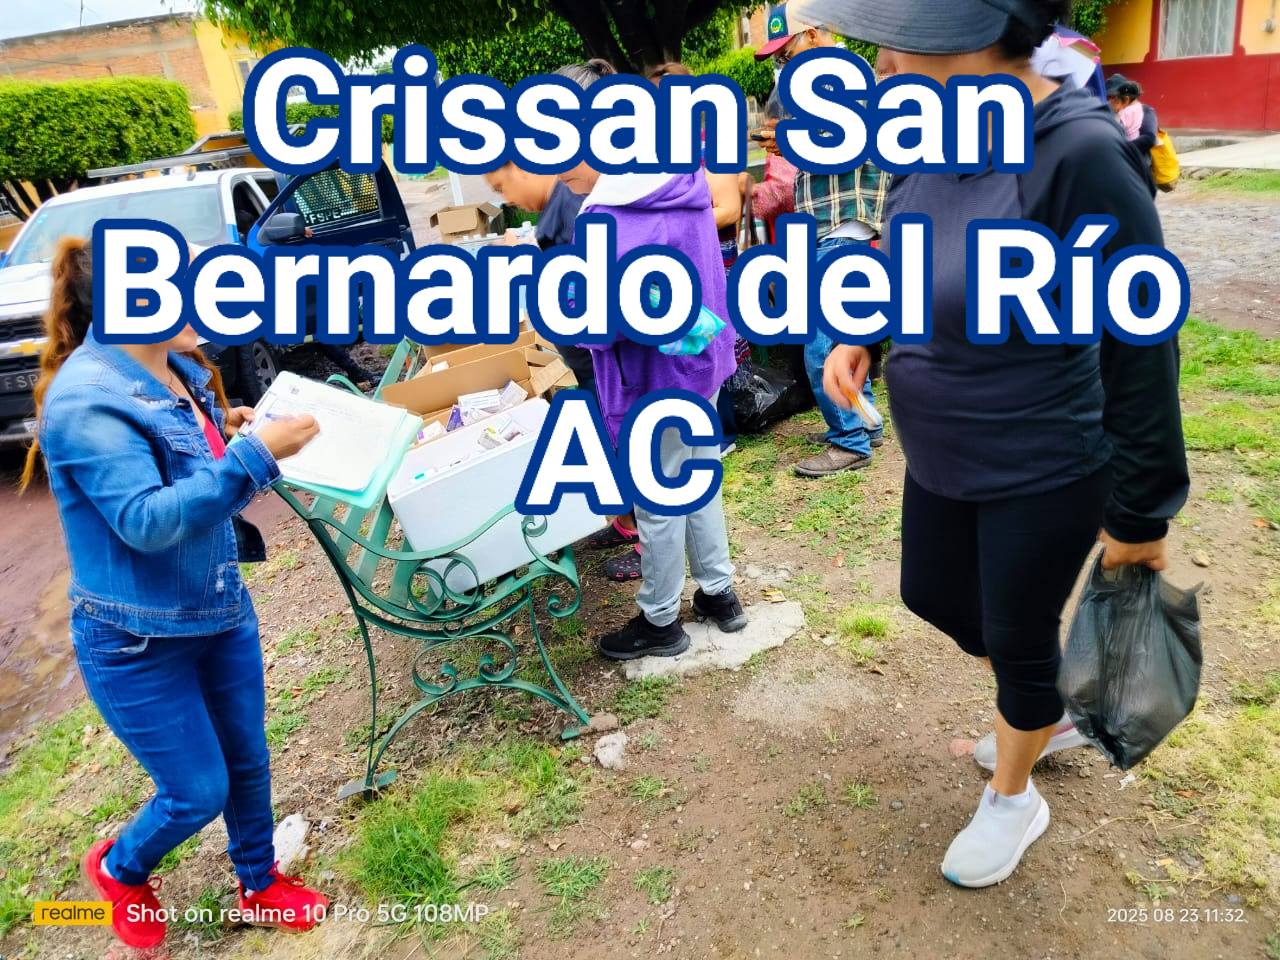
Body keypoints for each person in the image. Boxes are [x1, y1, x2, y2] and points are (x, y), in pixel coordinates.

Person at [804, 0, 1188, 887]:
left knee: (1016, 635)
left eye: (894, 38)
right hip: (943, 449)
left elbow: (1143, 342)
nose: (879, 60)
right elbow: (914, 251)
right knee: (933, 594)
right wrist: (867, 332)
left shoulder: (1078, 155)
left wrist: (1141, 515)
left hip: (1042, 458)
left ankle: (1015, 796)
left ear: (968, 33)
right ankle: (1046, 705)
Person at [22, 238, 329, 950]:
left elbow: (181, 449)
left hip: (217, 607)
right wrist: (256, 456)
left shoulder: (175, 365)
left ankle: (259, 883)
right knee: (196, 791)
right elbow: (146, 519)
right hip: (138, 640)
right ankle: (120, 867)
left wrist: (228, 429)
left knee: (247, 759)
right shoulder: (85, 401)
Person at [556, 59, 747, 659]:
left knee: (657, 496)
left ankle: (660, 619)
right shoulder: (680, 179)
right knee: (698, 476)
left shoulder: (610, 215)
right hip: (700, 360)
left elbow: (609, 320)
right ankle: (718, 593)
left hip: (652, 377)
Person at [755, 2, 888, 478]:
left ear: (812, 34)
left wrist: (791, 139)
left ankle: (848, 439)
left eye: (786, 52)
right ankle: (864, 423)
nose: (782, 63)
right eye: (777, 57)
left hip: (844, 220)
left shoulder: (843, 79)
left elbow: (849, 144)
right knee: (843, 330)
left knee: (819, 338)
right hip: (834, 221)